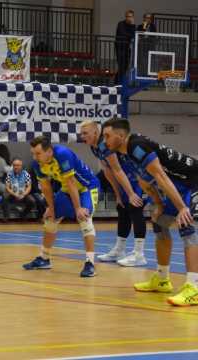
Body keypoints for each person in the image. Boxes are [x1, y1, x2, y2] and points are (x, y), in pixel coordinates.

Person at [102, 118, 198, 306]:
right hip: (177, 187)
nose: (104, 140)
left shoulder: (138, 146)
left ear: (121, 136)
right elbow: (144, 181)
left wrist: (181, 208)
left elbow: (160, 176)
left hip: (193, 182)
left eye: (107, 136)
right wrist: (158, 204)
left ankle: (194, 287)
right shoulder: (124, 153)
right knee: (160, 223)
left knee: (186, 225)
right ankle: (162, 279)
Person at [23, 136, 100, 277]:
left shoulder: (63, 154)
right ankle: (44, 259)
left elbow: (71, 182)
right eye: (33, 153)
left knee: (84, 219)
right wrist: (51, 208)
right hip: (66, 189)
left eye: (38, 153)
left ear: (49, 151)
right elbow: (46, 187)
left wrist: (78, 209)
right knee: (50, 219)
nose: (35, 157)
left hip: (87, 187)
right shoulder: (37, 164)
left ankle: (90, 264)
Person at [80, 120, 147, 267]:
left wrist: (130, 193)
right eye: (81, 133)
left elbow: (117, 169)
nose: (82, 136)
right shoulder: (94, 147)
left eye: (85, 133)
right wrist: (118, 194)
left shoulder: (105, 144)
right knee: (122, 208)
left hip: (137, 176)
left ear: (95, 132)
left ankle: (139, 254)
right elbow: (108, 171)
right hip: (124, 177)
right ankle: (119, 250)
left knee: (135, 208)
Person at [115, 10, 136, 84]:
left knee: (126, 66)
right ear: (125, 17)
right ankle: (118, 82)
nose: (129, 18)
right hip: (120, 48)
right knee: (121, 66)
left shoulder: (132, 26)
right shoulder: (121, 24)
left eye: (130, 16)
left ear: (133, 17)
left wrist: (133, 25)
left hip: (127, 48)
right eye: (127, 16)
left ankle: (119, 81)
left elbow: (133, 35)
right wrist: (130, 35)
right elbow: (123, 33)